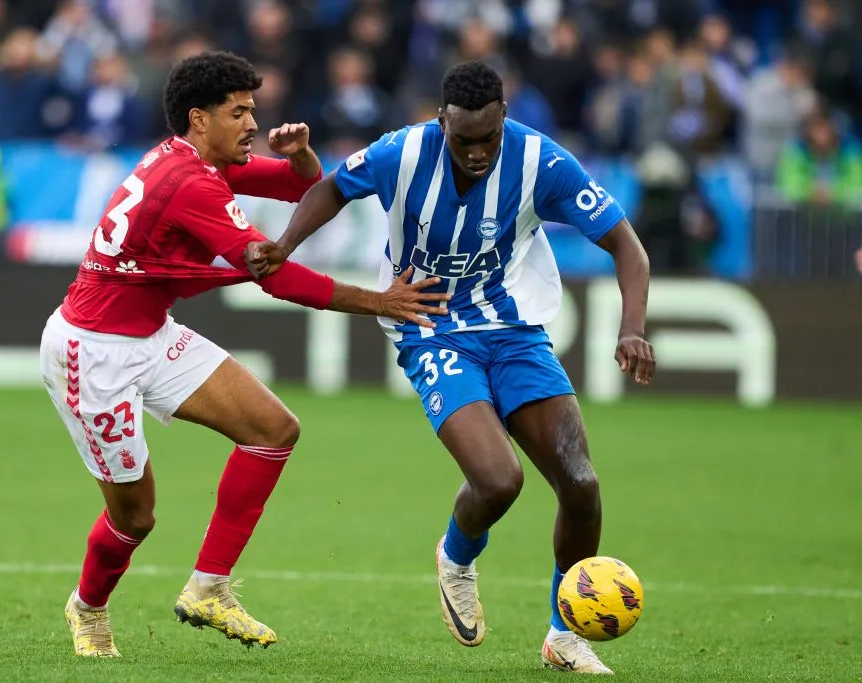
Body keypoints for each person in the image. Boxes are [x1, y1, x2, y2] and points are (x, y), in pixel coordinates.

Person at [246, 61, 656, 675]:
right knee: (499, 481)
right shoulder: (403, 152)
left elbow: (628, 245)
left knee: (581, 485)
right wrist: (285, 244)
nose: (476, 152)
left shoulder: (541, 162)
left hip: (515, 331)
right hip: (431, 329)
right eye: (463, 140)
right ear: (442, 123)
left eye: (488, 138)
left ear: (503, 120)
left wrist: (632, 329)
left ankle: (564, 636)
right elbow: (332, 186)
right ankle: (457, 557)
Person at [40, 50, 449, 658]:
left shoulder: (194, 161)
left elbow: (295, 185)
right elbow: (276, 278)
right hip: (92, 353)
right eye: (239, 112)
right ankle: (88, 607)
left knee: (273, 428)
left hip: (149, 335)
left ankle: (208, 587)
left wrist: (303, 154)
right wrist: (381, 301)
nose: (252, 123)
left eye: (253, 110)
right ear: (199, 119)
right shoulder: (188, 182)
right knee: (135, 517)